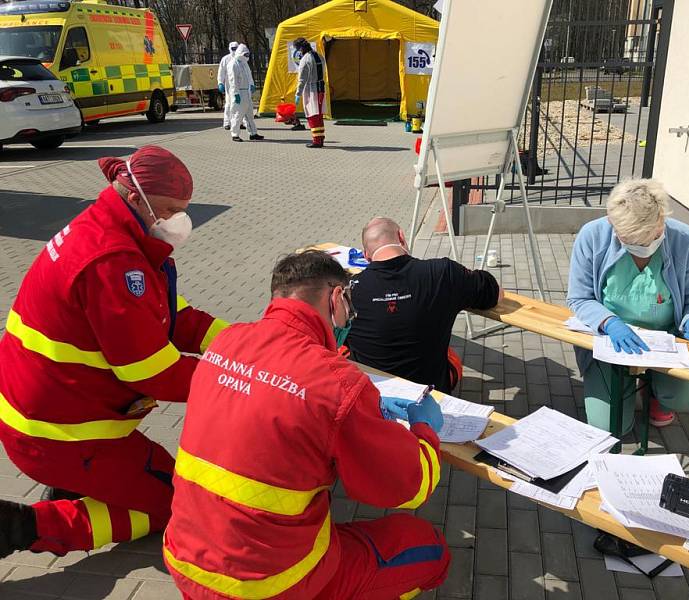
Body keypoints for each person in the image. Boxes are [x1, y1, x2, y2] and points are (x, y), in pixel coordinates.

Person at [163, 250, 450, 600]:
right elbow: (410, 487)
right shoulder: (335, 383)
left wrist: (359, 405)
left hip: (186, 562)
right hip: (271, 585)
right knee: (429, 549)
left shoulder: (226, 341)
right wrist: (425, 428)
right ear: (336, 297)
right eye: (348, 304)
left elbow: (271, 395)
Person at [0, 146, 230, 559]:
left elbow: (171, 317)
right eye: (169, 209)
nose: (178, 221)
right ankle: (22, 526)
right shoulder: (112, 261)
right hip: (62, 434)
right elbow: (152, 372)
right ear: (134, 197)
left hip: (52, 414)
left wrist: (244, 342)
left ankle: (75, 489)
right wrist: (235, 380)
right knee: (174, 504)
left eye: (183, 209)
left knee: (160, 487)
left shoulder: (116, 233)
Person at [567, 178, 689, 431]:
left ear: (662, 220)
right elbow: (579, 297)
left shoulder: (687, 241)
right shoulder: (592, 235)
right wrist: (609, 323)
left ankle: (658, 393)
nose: (643, 247)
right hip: (610, 340)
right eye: (632, 240)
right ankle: (623, 385)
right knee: (610, 428)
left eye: (651, 237)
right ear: (612, 224)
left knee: (687, 395)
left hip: (669, 341)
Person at [345, 218, 503, 394]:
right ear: (401, 237)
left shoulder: (348, 291)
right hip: (429, 392)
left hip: (374, 394)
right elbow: (494, 293)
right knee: (450, 355)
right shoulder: (443, 272)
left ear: (366, 255)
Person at [293, 37, 326, 148]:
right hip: (321, 88)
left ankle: (317, 140)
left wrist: (298, 94)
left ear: (300, 49)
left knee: (312, 115)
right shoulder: (319, 56)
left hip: (311, 91)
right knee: (319, 115)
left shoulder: (305, 60)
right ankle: (320, 138)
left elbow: (302, 79)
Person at [227, 44, 263, 142]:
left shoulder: (244, 63)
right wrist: (235, 93)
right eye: (245, 54)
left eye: (247, 54)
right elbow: (232, 80)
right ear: (240, 53)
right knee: (237, 115)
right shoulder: (233, 64)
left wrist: (251, 84)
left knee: (249, 115)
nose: (247, 56)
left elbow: (249, 75)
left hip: (246, 92)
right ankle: (235, 134)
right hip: (239, 92)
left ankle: (253, 133)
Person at [217, 41, 238, 130]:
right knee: (229, 104)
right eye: (233, 49)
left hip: (239, 85)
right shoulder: (225, 59)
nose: (234, 50)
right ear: (230, 49)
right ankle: (227, 122)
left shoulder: (241, 59)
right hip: (229, 85)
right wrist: (220, 82)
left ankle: (239, 122)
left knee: (240, 105)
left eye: (236, 48)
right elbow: (221, 72)